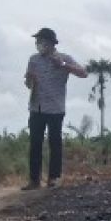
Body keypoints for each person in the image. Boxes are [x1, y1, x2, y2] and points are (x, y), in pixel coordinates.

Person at [22, 27, 86, 190]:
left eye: (41, 41)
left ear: (50, 43)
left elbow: (83, 73)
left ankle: (53, 178)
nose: (38, 44)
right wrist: (29, 79)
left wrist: (63, 65)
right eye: (37, 41)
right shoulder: (33, 59)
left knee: (54, 143)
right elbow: (29, 85)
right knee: (35, 144)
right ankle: (34, 180)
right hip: (36, 106)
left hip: (56, 108)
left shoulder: (64, 58)